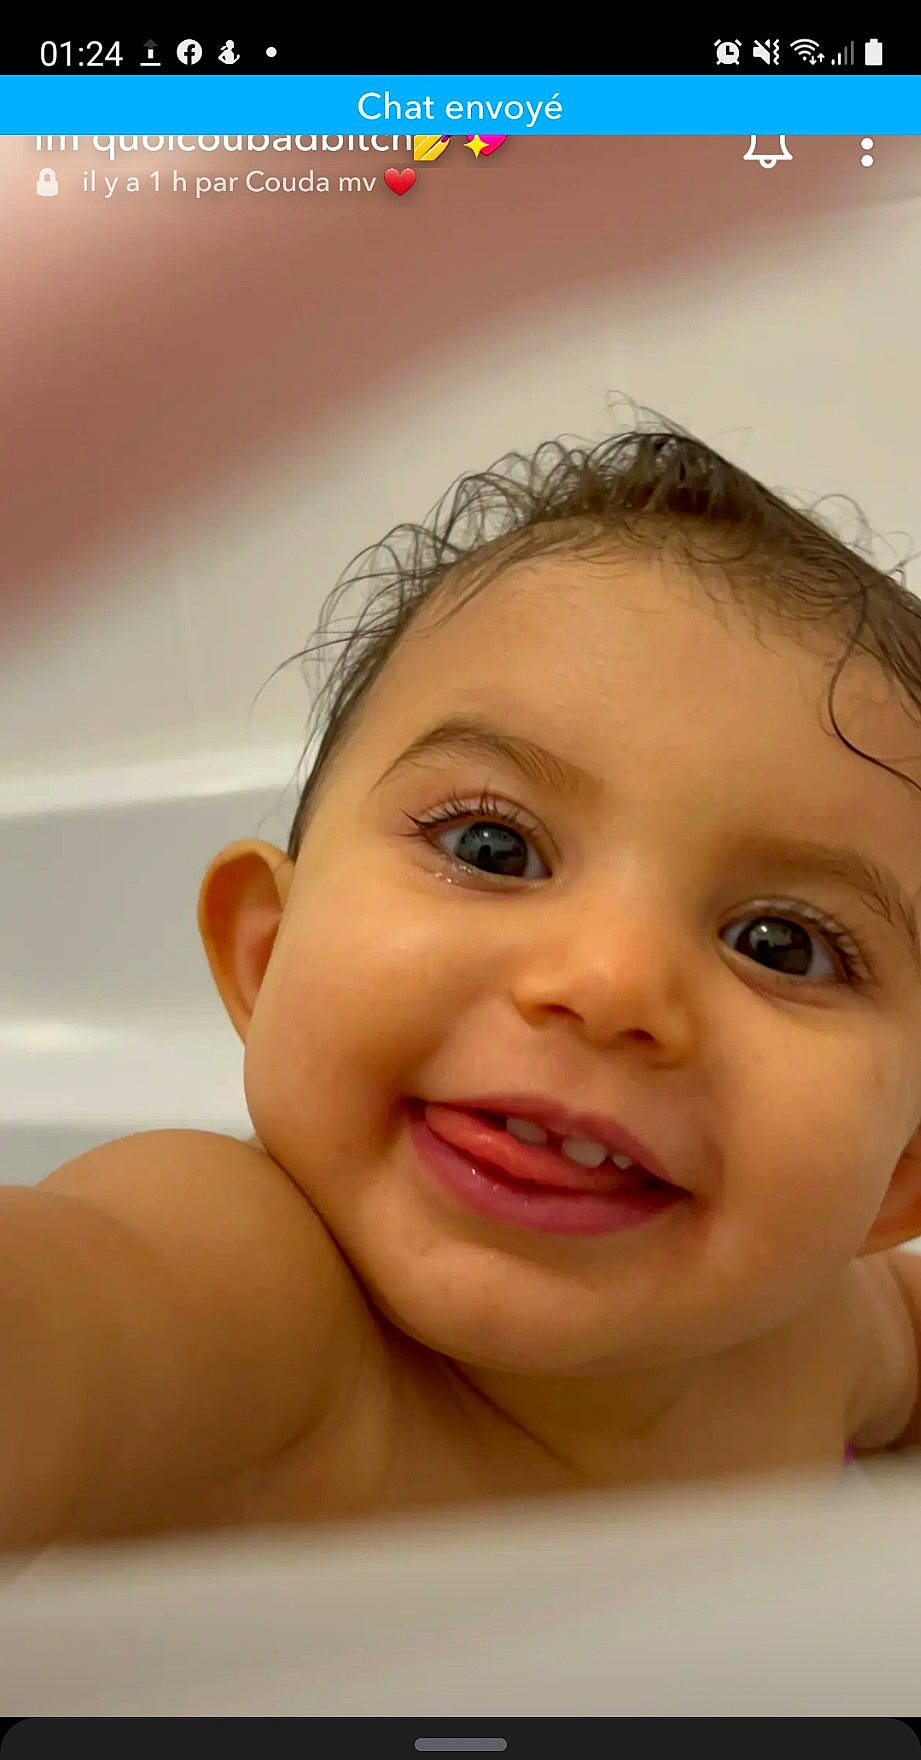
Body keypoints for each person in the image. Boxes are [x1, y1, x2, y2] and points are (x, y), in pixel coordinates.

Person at [4, 424, 921, 1548]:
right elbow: (67, 1322)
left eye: (779, 945)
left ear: (899, 1178)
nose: (608, 982)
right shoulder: (248, 1289)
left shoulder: (817, 1337)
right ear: (266, 955)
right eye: (493, 848)